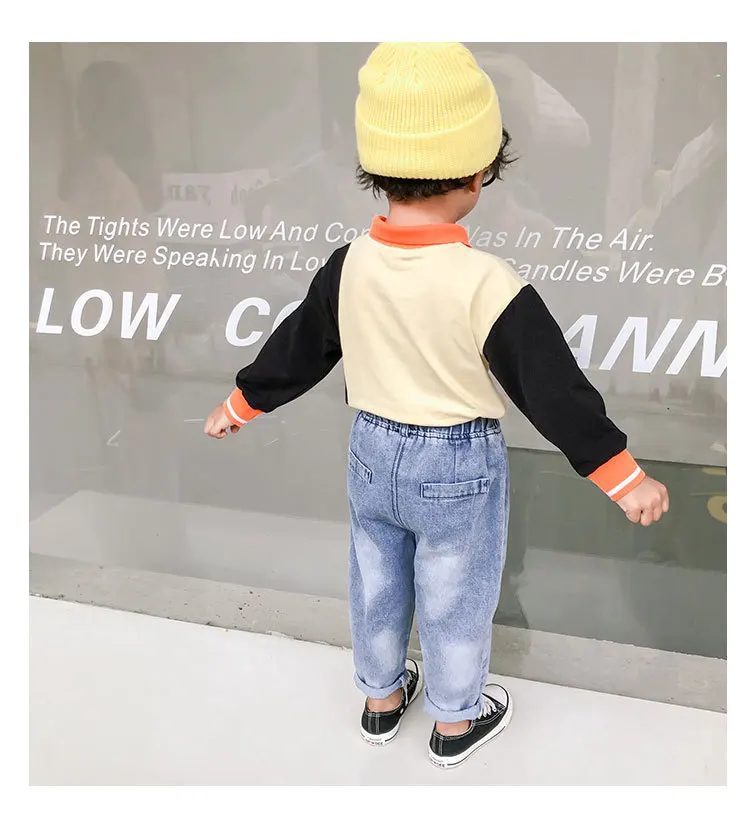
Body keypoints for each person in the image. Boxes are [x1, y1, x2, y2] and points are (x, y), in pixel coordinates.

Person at [204, 42, 669, 770]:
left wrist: (242, 401)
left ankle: (381, 698)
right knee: (455, 588)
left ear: (374, 166)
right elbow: (552, 389)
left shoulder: (349, 262)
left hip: (370, 448)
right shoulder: (487, 282)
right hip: (455, 460)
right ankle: (454, 719)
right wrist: (622, 475)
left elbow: (299, 346)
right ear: (478, 174)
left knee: (376, 576)